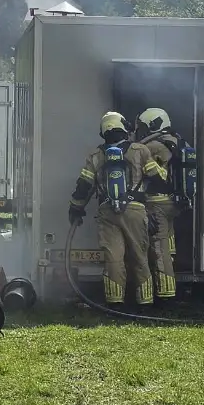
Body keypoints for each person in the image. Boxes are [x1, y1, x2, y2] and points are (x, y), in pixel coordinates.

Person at [68, 112, 166, 306]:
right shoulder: (140, 150)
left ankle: (114, 302)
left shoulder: (96, 156)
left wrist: (75, 209)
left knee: (114, 258)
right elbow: (156, 179)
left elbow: (83, 187)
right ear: (124, 127)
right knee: (139, 256)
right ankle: (145, 303)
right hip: (135, 211)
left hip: (108, 212)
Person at [136, 107, 187, 301]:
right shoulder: (176, 141)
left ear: (152, 125)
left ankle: (166, 295)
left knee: (159, 248)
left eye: (143, 127)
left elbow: (140, 172)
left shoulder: (153, 146)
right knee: (168, 244)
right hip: (173, 203)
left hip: (156, 203)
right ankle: (169, 283)